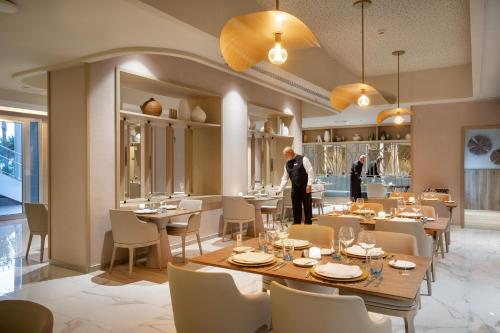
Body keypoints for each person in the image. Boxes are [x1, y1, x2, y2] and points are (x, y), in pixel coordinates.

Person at [277, 147, 314, 224]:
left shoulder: (303, 159)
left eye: (285, 155)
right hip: (295, 191)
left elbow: (310, 172)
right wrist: (280, 189)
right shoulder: (287, 164)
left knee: (307, 210)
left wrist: (309, 184)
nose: (285, 157)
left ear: (290, 152)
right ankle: (297, 227)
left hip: (305, 189)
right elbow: (284, 178)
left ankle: (308, 227)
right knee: (296, 210)